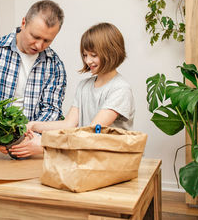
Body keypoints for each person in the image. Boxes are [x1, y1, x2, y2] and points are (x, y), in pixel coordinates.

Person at [9, 22, 135, 158]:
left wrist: (45, 144)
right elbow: (68, 124)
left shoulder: (120, 89)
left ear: (111, 52)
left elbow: (91, 131)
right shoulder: (84, 86)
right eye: (85, 55)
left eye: (93, 55)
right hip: (88, 157)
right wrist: (33, 125)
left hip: (112, 160)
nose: (88, 61)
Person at [0, 0, 67, 148]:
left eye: (47, 40)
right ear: (23, 23)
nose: (39, 45)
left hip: (29, 146)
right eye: (35, 36)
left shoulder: (55, 65)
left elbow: (51, 110)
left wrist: (28, 138)